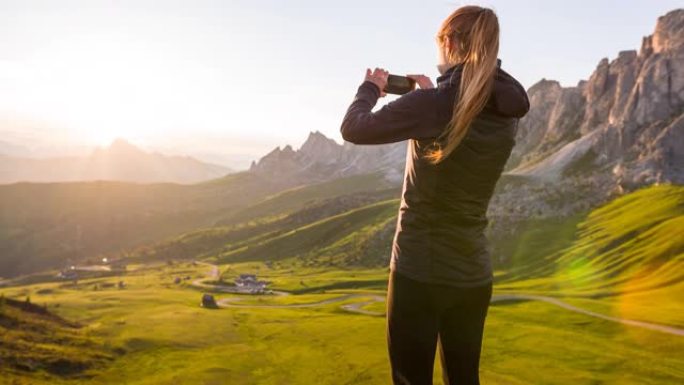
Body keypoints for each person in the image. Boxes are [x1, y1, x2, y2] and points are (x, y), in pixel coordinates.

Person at [339, 5, 530, 385]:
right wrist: (432, 94)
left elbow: (354, 128)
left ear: (450, 42)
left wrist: (370, 89)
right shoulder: (506, 108)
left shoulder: (435, 105)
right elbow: (461, 114)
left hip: (418, 273)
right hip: (473, 276)